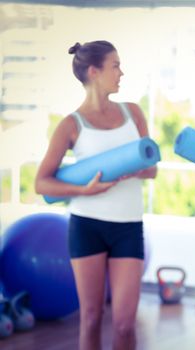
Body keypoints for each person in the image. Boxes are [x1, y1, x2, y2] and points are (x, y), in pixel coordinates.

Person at [35, 40, 157, 350]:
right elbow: (42, 183)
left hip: (128, 227)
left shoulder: (133, 113)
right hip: (87, 226)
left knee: (125, 324)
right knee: (90, 317)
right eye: (115, 65)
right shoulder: (71, 125)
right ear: (94, 71)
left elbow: (152, 169)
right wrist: (83, 190)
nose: (121, 72)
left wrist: (135, 170)